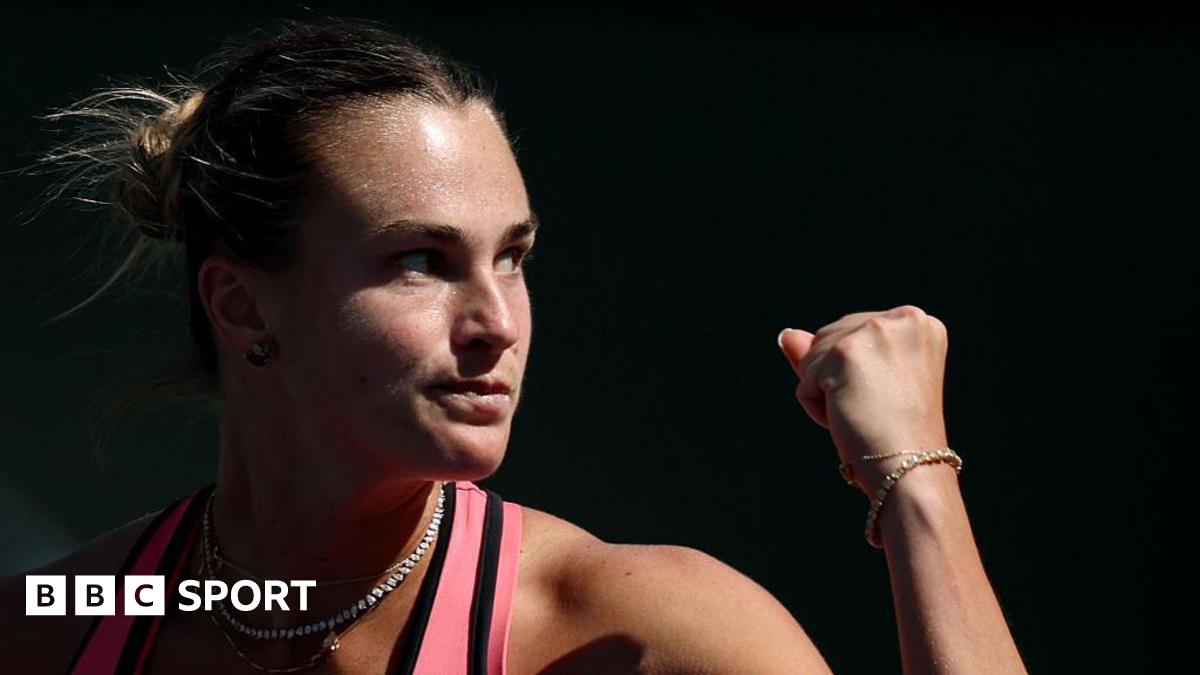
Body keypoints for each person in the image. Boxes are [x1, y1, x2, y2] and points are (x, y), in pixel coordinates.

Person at [0, 18, 1028, 674]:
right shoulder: (75, 614)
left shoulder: (642, 631)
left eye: (514, 257)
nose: (497, 321)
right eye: (420, 260)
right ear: (243, 306)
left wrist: (915, 483)